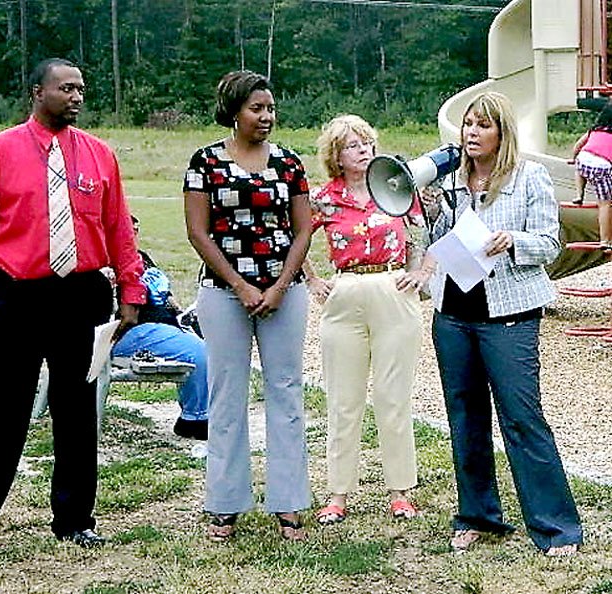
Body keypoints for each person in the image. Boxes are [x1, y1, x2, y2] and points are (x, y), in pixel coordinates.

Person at [0, 58, 145, 561]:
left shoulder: (100, 156)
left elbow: (119, 229)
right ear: (38, 92)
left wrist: (131, 293)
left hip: (81, 297)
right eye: (66, 88)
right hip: (14, 298)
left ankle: (75, 519)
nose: (76, 97)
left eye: (81, 89)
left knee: (77, 414)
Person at [424, 91, 582, 556]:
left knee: (522, 418)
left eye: (482, 125)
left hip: (508, 317)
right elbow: (441, 245)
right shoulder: (451, 178)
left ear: (502, 132)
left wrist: (513, 240)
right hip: (453, 315)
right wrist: (434, 215)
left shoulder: (529, 177)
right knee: (466, 417)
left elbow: (550, 243)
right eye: (468, 124)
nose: (471, 133)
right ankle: (477, 515)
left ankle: (556, 528)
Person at [184, 70, 311, 542]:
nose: (266, 117)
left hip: (283, 292)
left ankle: (289, 503)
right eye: (256, 109)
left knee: (285, 391)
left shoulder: (289, 163)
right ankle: (225, 503)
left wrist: (279, 286)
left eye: (270, 108)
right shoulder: (205, 163)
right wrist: (239, 285)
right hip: (223, 293)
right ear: (234, 111)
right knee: (227, 395)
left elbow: (303, 229)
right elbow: (198, 232)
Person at [304, 114, 433, 526]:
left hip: (393, 288)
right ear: (336, 156)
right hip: (346, 291)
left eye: (368, 143)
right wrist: (312, 280)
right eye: (354, 145)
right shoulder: (324, 198)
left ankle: (400, 490)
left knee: (393, 398)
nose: (365, 151)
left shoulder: (395, 189)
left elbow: (421, 233)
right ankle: (338, 493)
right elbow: (295, 239)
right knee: (344, 400)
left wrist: (419, 272)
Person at [111, 215, 208, 440]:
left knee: (215, 341)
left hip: (162, 324)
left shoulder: (142, 257)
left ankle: (204, 413)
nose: (133, 235)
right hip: (132, 330)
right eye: (129, 230)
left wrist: (185, 315)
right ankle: (196, 420)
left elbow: (167, 298)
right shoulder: (107, 260)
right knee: (198, 353)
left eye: (136, 230)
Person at [571, 102, 612, 251]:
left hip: (584, 161)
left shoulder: (594, 131)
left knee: (579, 165)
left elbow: (577, 147)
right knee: (605, 204)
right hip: (602, 167)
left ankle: (578, 194)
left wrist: (573, 158)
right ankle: (605, 240)